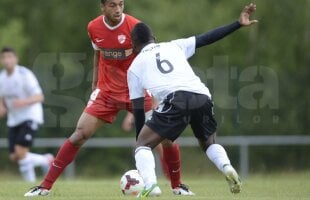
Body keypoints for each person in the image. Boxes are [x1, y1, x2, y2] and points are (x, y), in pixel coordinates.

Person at [24, 0, 192, 197]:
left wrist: (154, 97)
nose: (118, 9)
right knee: (80, 134)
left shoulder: (136, 27)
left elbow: (149, 61)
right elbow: (98, 54)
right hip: (106, 92)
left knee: (166, 139)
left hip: (137, 90)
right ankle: (44, 187)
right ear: (102, 7)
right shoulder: (93, 27)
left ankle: (177, 186)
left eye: (121, 4)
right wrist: (95, 84)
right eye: (112, 5)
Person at [127, 3, 258, 198]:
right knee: (209, 142)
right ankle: (227, 167)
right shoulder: (174, 45)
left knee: (142, 146)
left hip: (176, 98)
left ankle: (151, 185)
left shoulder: (134, 67)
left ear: (133, 45)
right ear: (154, 38)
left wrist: (141, 142)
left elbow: (138, 110)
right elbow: (207, 38)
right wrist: (237, 24)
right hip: (201, 95)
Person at [0, 47, 54, 182]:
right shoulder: (2, 78)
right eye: (4, 57)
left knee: (21, 152)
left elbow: (39, 97)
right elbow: (2, 98)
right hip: (14, 119)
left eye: (10, 57)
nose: (7, 60)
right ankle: (46, 160)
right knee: (15, 156)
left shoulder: (25, 75)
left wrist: (23, 102)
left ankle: (30, 186)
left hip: (30, 116)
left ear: (16, 59)